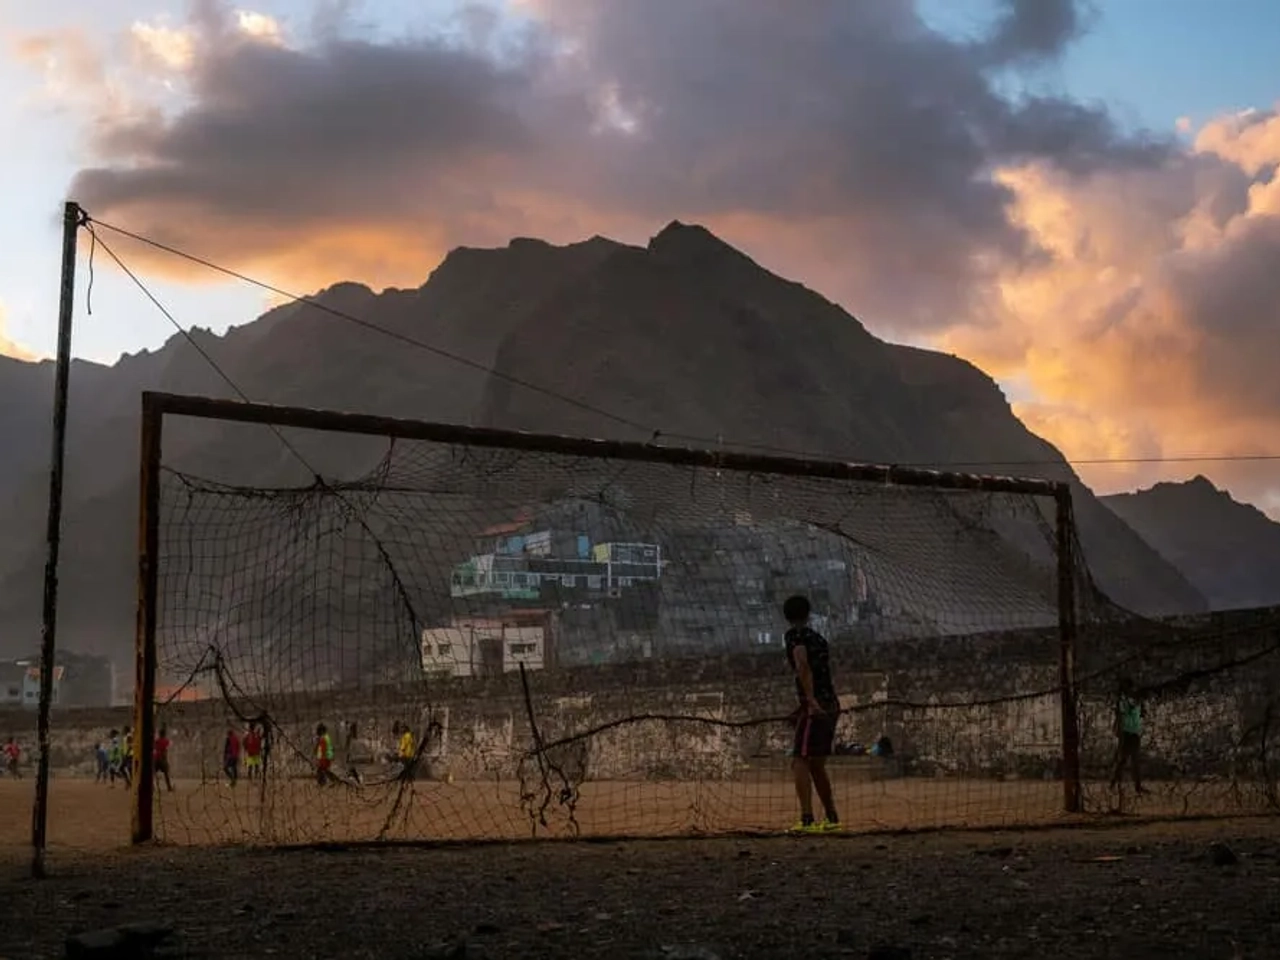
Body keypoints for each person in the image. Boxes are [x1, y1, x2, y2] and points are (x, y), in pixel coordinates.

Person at [782, 595, 841, 833]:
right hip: (831, 704)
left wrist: (809, 701)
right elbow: (820, 671)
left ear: (787, 616)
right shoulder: (818, 638)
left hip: (816, 705)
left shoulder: (794, 636)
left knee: (799, 761)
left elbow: (802, 665)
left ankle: (807, 820)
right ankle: (832, 818)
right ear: (807, 614)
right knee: (816, 764)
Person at [1111, 676, 1148, 795]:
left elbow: (1142, 714)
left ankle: (1136, 786)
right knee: (1123, 760)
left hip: (1134, 732)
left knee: (1134, 761)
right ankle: (1113, 784)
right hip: (1126, 732)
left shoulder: (1136, 700)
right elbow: (1120, 716)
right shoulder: (1123, 701)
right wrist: (1118, 730)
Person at [154, 727, 174, 792]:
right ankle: (169, 787)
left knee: (152, 773)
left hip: (156, 759)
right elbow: (170, 745)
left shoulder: (156, 741)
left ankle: (151, 787)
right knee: (166, 774)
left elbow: (154, 747)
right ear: (164, 734)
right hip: (162, 759)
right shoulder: (166, 741)